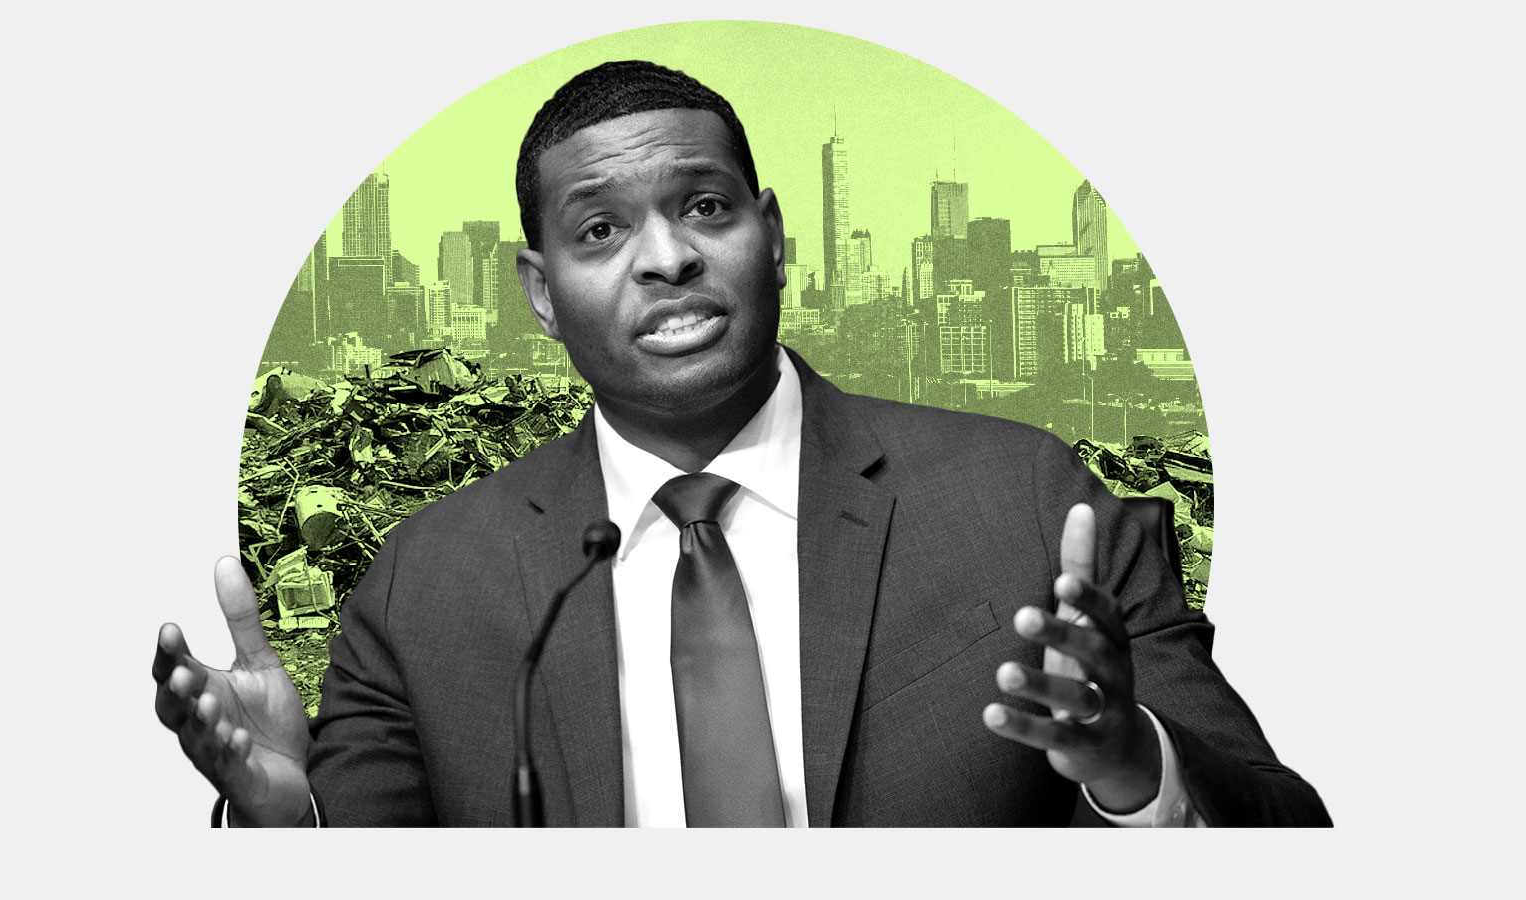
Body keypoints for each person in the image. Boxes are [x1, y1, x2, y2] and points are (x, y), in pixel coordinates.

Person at [153, 61, 1329, 827]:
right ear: (540, 292)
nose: (665, 257)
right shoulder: (427, 586)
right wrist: (280, 822)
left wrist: (1134, 769)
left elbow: (1287, 831)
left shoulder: (1025, 506)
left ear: (772, 238)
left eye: (705, 207)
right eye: (602, 228)